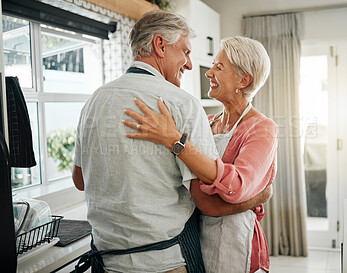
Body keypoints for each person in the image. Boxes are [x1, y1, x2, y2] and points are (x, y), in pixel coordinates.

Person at [72, 10, 271, 273]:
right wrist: (262, 195)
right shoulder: (183, 104)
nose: (191, 65)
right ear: (160, 45)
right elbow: (207, 203)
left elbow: (80, 180)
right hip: (164, 263)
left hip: (105, 260)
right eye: (186, 52)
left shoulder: (94, 101)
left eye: (218, 66)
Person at [123, 36, 278, 273]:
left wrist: (175, 141)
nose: (208, 72)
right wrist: (258, 196)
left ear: (243, 80)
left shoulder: (262, 128)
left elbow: (236, 186)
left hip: (235, 240)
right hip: (196, 236)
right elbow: (193, 187)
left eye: (219, 67)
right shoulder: (206, 123)